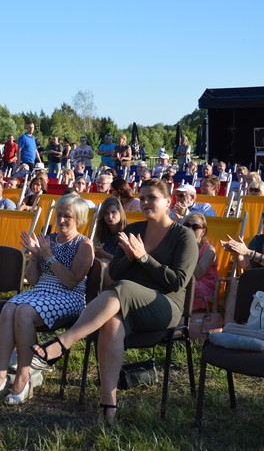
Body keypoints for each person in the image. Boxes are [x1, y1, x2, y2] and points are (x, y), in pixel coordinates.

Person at [31, 178, 197, 425]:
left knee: (123, 288)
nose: (146, 202)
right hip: (126, 303)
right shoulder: (132, 231)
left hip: (165, 306)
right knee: (111, 323)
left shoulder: (184, 236)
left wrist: (143, 259)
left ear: (168, 202)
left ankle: (63, 343)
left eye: (152, 197)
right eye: (143, 197)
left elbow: (177, 283)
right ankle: (108, 406)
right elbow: (115, 273)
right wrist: (130, 258)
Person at [0, 195, 93, 405]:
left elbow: (71, 282)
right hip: (41, 290)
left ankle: (24, 376)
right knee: (8, 308)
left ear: (79, 219)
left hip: (69, 296)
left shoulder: (84, 245)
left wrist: (48, 257)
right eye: (60, 215)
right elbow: (32, 280)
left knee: (23, 311)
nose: (62, 220)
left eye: (68, 216)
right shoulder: (48, 239)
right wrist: (34, 256)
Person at [182, 213, 218, 312]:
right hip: (184, 279)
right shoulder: (180, 244)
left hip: (204, 285)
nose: (190, 229)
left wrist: (188, 249)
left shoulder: (209, 249)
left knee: (189, 285)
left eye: (195, 227)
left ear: (203, 232)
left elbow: (199, 275)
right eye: (187, 225)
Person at [92, 197, 127, 262]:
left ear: (120, 213)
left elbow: (124, 263)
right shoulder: (100, 232)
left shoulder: (127, 233)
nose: (110, 216)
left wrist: (103, 254)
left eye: (113, 212)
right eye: (106, 213)